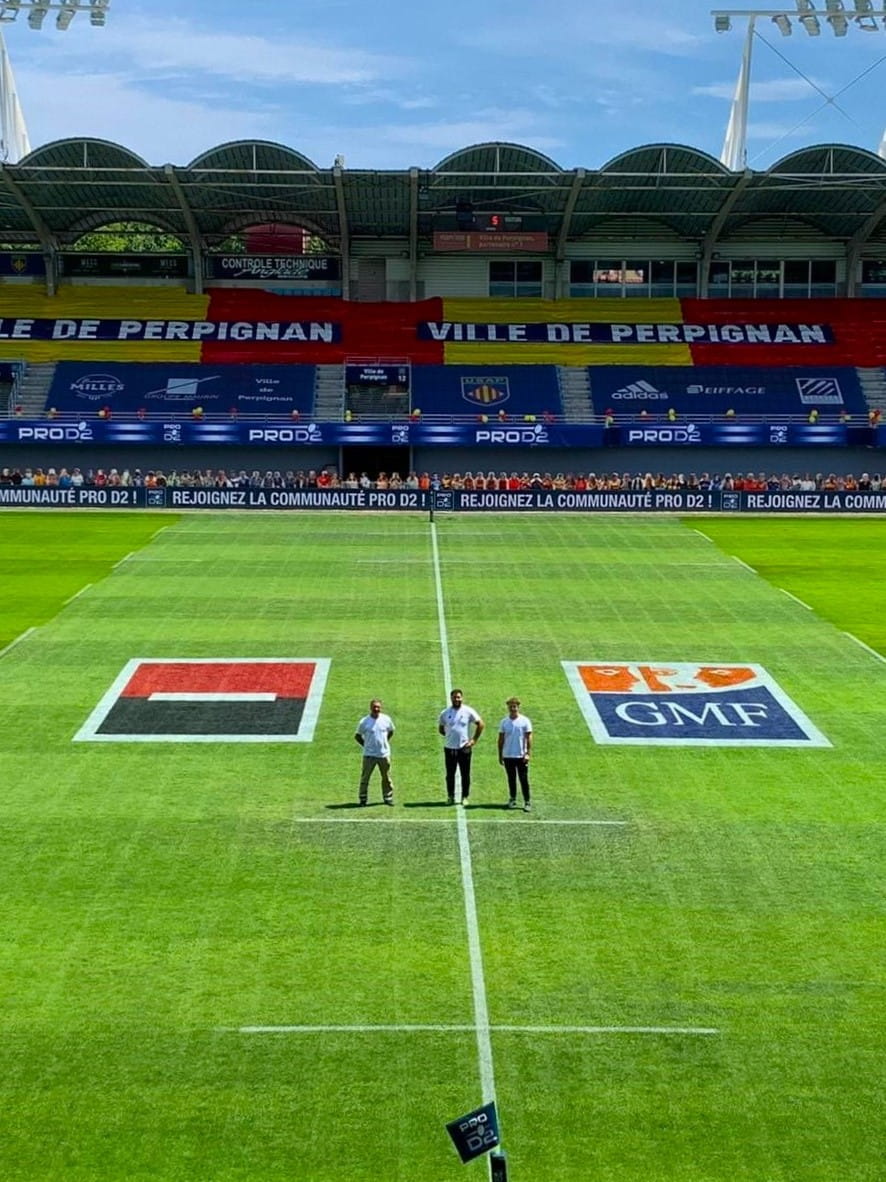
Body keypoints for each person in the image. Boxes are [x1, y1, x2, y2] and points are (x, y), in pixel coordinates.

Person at [438, 688, 485, 805]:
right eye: (454, 697)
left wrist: (473, 740)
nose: (457, 699)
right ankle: (450, 796)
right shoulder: (445, 713)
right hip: (449, 748)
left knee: (465, 774)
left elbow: (480, 724)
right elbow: (441, 728)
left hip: (464, 748)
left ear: (462, 698)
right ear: (451, 698)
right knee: (450, 774)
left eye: (459, 697)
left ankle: (465, 796)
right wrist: (450, 735)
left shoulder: (468, 711)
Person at [354, 699, 395, 806]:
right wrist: (366, 745)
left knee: (386, 777)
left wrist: (384, 742)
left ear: (381, 708)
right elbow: (357, 736)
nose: (376, 709)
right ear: (370, 708)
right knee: (365, 778)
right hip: (369, 755)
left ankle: (388, 797)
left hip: (383, 754)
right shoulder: (364, 721)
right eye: (374, 707)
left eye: (378, 707)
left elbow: (391, 731)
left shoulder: (386, 719)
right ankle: (363, 799)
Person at [498, 697, 533, 812]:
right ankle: (512, 798)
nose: (513, 709)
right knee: (511, 779)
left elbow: (529, 738)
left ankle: (527, 801)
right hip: (508, 755)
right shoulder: (504, 722)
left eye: (514, 706)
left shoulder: (525, 721)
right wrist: (500, 754)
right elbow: (501, 739)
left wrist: (528, 753)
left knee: (523, 779)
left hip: (521, 756)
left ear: (518, 707)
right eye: (510, 706)